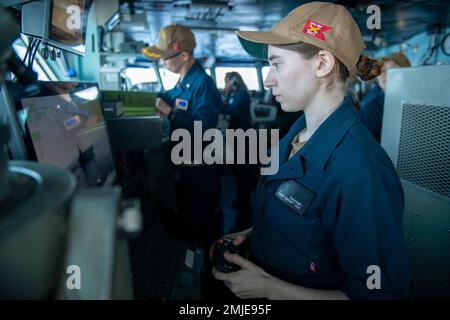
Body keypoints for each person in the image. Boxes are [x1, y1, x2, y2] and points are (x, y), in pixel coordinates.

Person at [211, 2, 411, 299]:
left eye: (276, 64)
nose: (268, 79)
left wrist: (270, 288)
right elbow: (309, 226)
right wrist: (253, 236)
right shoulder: (297, 134)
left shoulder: (363, 173)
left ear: (322, 64)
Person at [142, 24, 223, 249]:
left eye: (166, 58)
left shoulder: (202, 84)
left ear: (184, 55)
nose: (163, 63)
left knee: (201, 226)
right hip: (186, 167)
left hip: (200, 170)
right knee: (187, 220)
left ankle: (207, 275)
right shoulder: (184, 82)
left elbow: (203, 128)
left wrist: (171, 113)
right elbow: (168, 95)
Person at [221, 72, 258, 232]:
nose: (227, 84)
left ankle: (245, 207)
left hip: (242, 136)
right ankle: (241, 200)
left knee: (242, 171)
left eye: (228, 81)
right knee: (238, 170)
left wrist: (222, 100)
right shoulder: (236, 94)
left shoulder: (241, 94)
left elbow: (232, 112)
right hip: (236, 134)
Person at [359, 52, 411, 143]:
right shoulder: (370, 109)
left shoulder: (415, 100)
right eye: (381, 71)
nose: (384, 75)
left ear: (408, 72)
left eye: (392, 70)